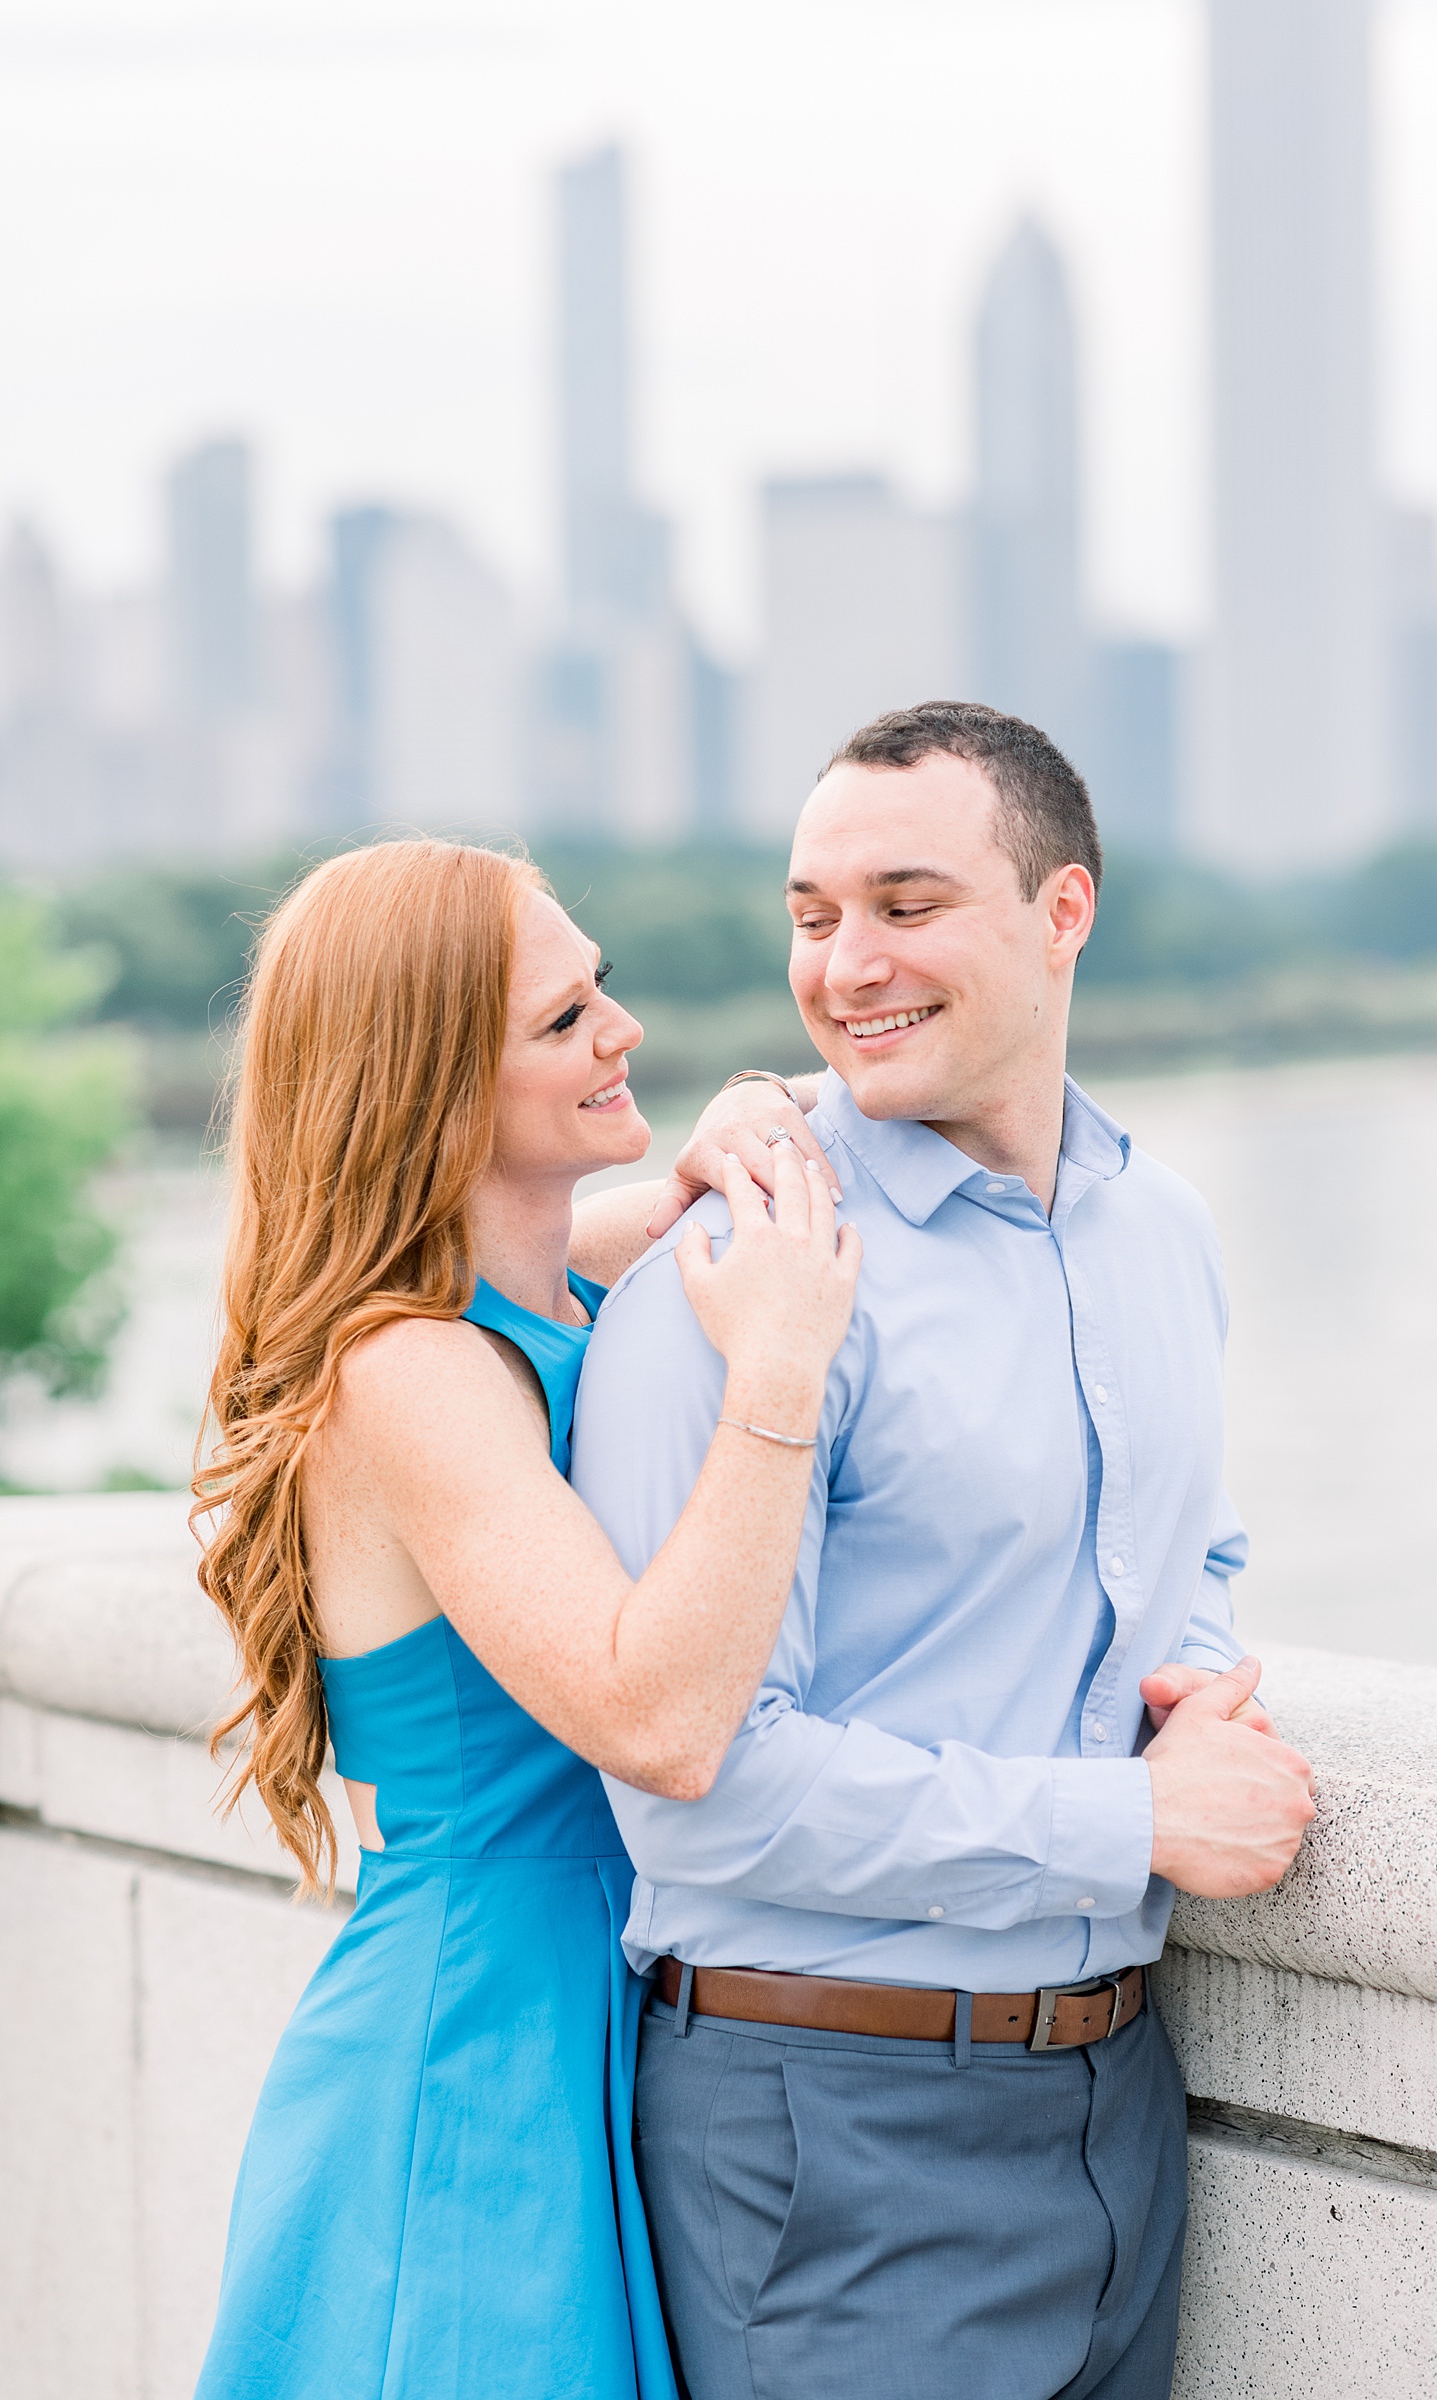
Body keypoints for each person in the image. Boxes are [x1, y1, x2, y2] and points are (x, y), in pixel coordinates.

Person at [571, 703, 1319, 2400]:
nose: (844, 967)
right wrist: (1136, 1816)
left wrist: (1192, 1681)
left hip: (1120, 2104)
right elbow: (695, 1780)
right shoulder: (738, 1278)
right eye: (812, 915)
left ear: (1063, 912)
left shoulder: (1159, 1223)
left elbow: (1194, 1537)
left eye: (904, 905)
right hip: (824, 2123)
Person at [191, 837, 860, 2400]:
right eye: (563, 1023)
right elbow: (658, 1723)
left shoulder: (540, 1303)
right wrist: (775, 1377)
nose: (621, 1032)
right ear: (427, 1086)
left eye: (600, 993)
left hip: (567, 2006)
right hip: (473, 2054)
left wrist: (738, 1139)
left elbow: (637, 1233)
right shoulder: (409, 1373)